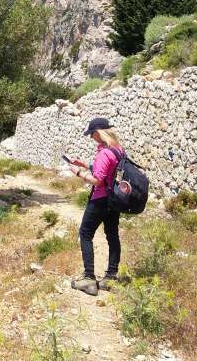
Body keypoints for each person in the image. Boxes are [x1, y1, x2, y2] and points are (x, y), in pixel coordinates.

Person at [69, 117, 123, 296]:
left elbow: (98, 180)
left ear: (98, 133)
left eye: (92, 134)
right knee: (112, 235)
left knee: (85, 233)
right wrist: (85, 165)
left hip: (100, 199)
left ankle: (89, 278)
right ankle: (111, 277)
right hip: (113, 200)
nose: (91, 137)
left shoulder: (104, 153)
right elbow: (107, 172)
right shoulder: (118, 150)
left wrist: (78, 172)